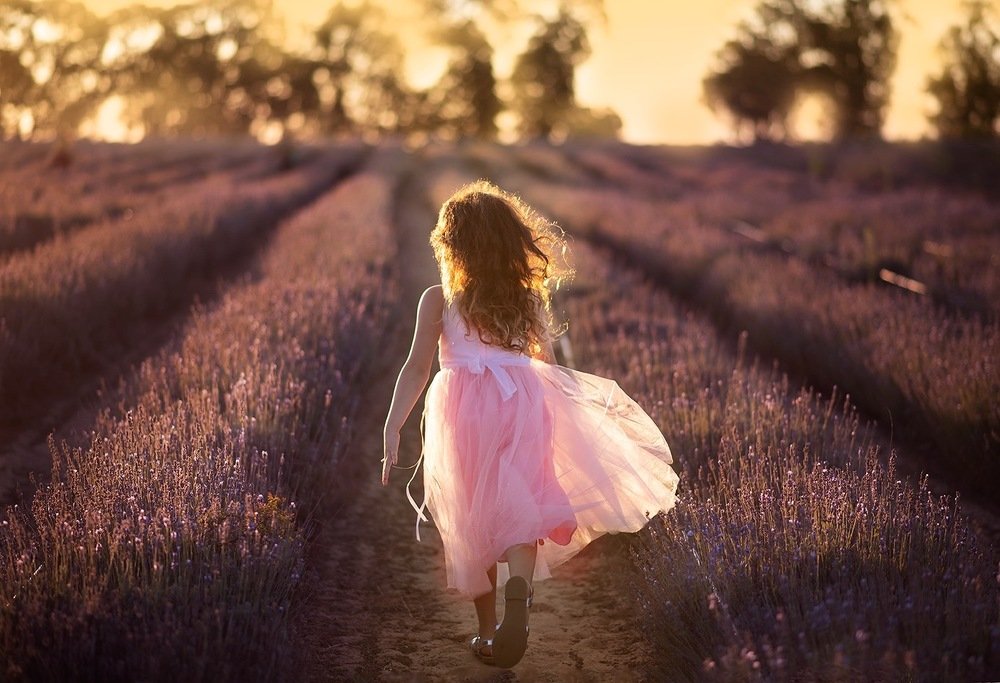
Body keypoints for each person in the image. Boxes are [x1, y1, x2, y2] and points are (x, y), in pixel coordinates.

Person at [381, 180, 679, 669]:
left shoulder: (438, 299)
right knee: (524, 499)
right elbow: (542, 362)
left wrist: (393, 426)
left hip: (463, 408)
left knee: (470, 513)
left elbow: (416, 367)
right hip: (523, 402)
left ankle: (485, 631)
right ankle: (517, 599)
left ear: (453, 246)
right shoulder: (527, 300)